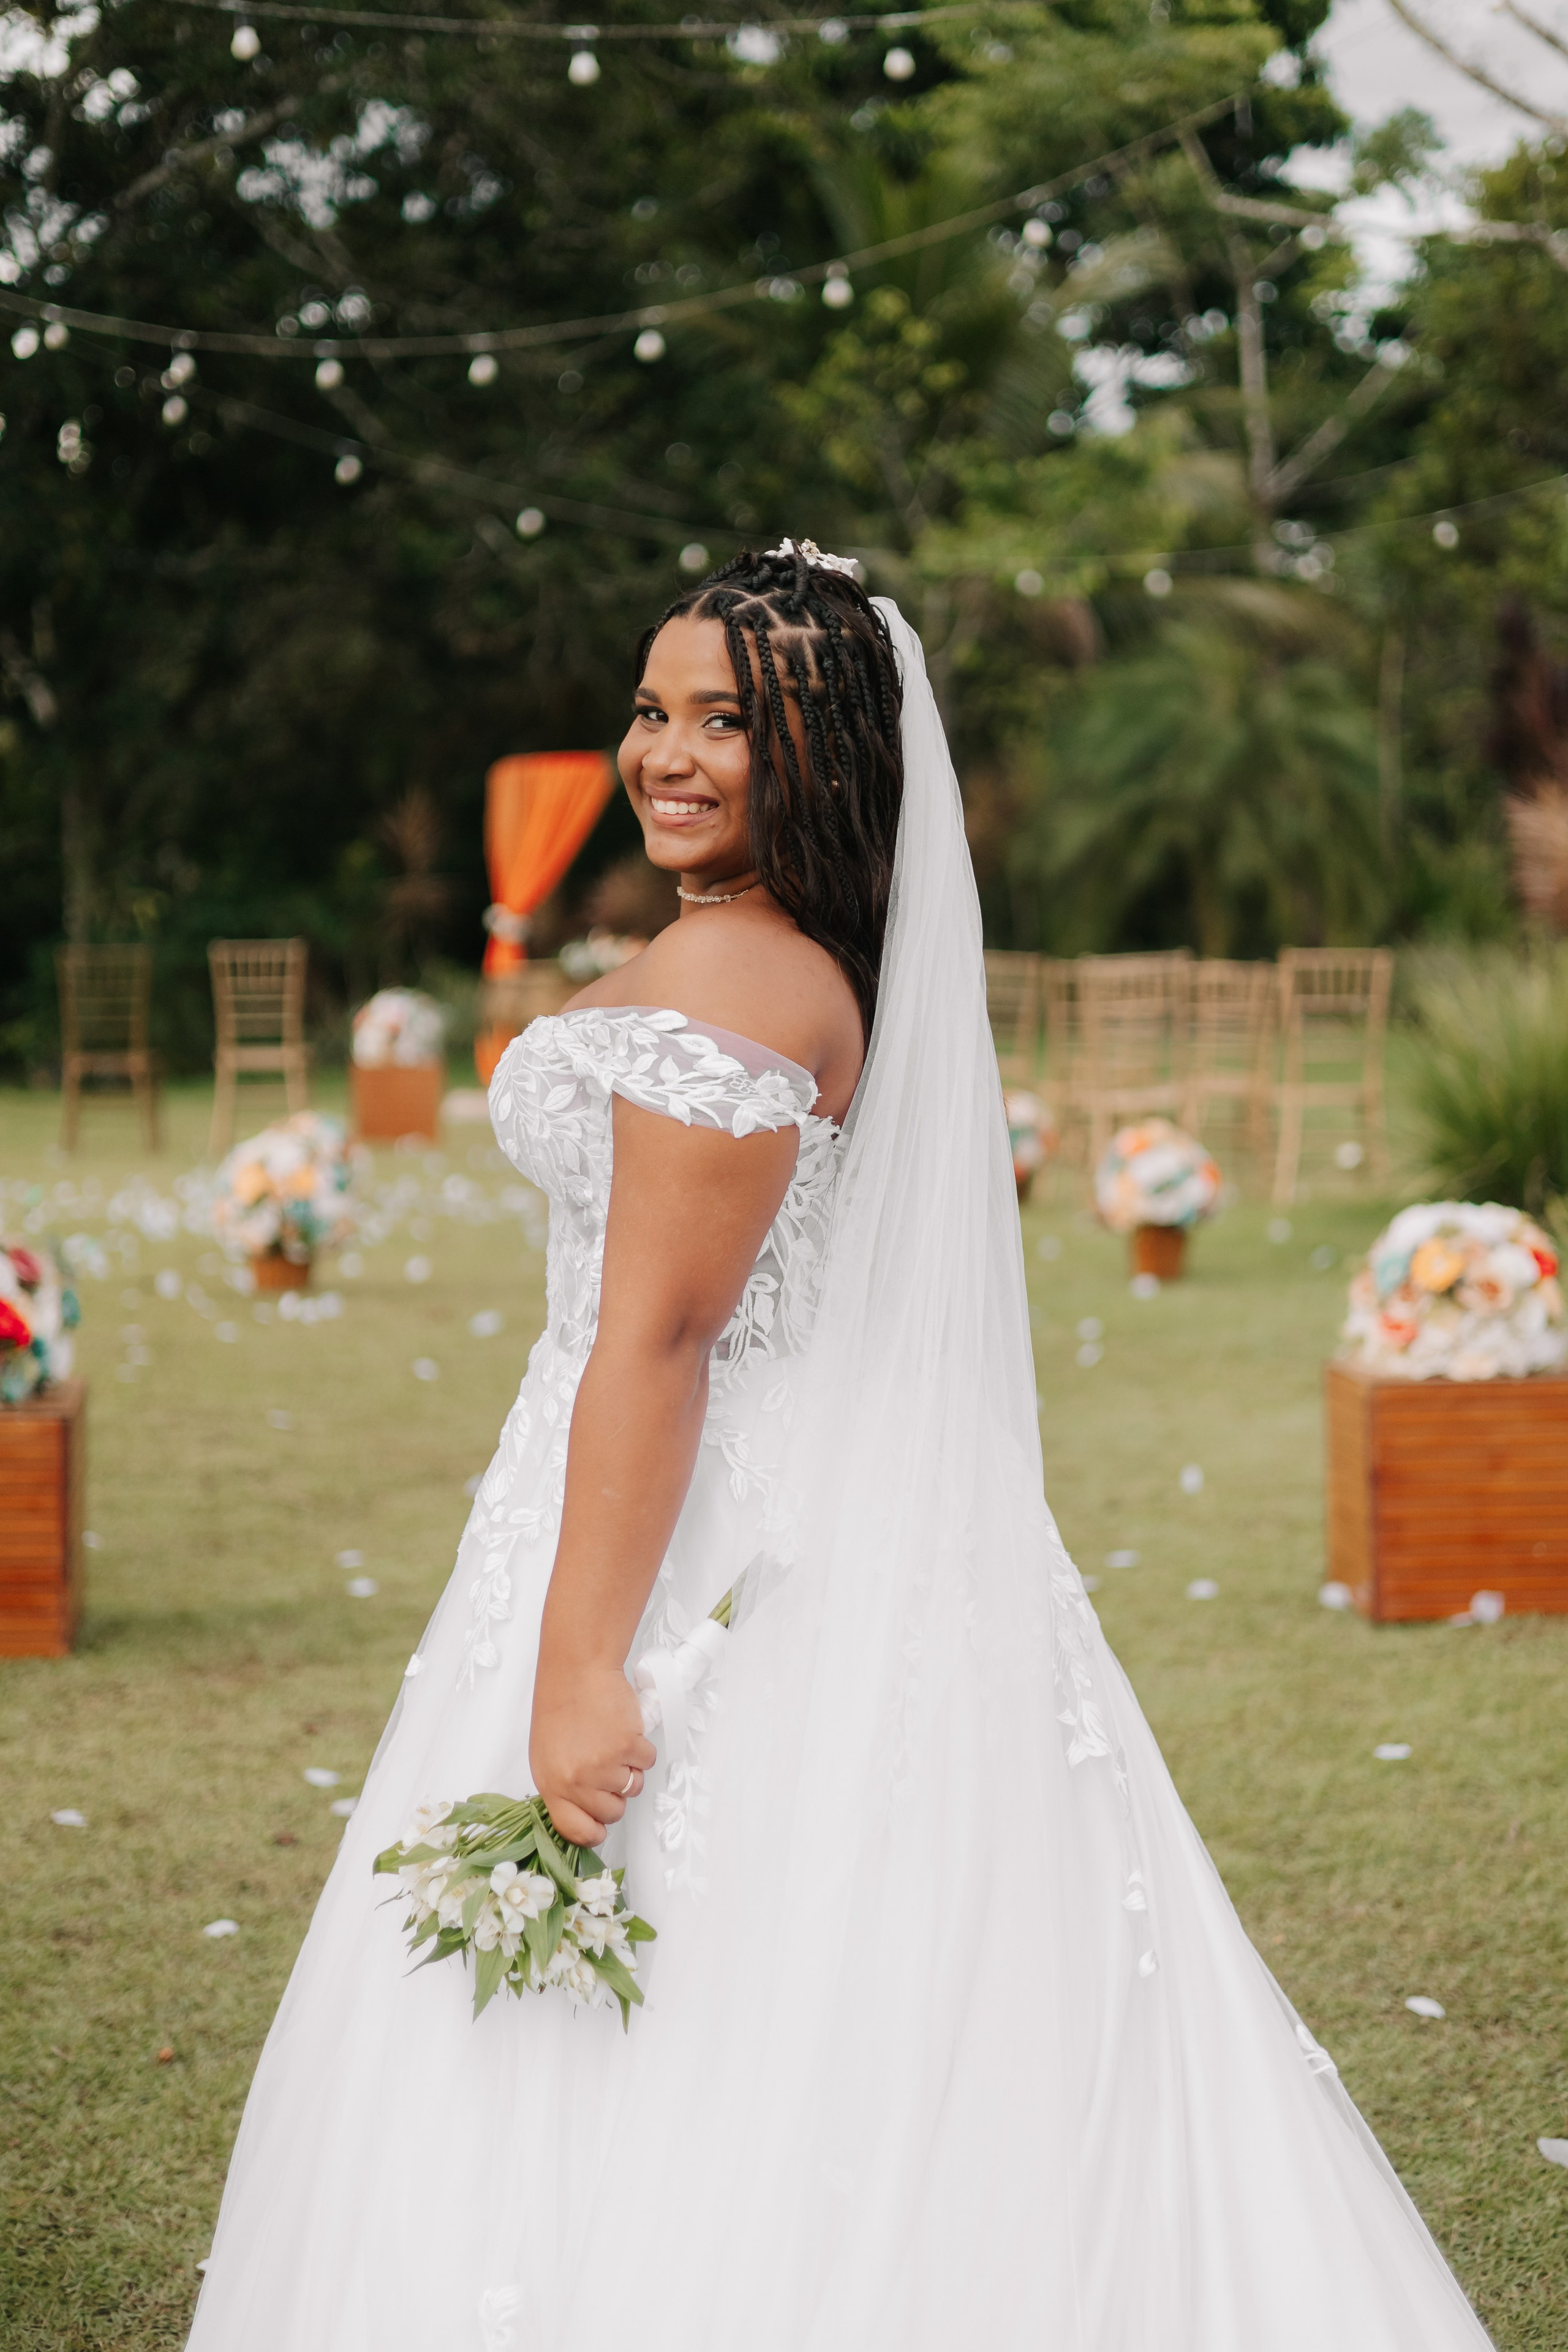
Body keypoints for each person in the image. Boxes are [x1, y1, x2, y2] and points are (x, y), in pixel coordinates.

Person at [187, 542, 1493, 2352]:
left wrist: (579, 1667)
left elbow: (659, 1338)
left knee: (708, 1990)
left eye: (729, 721)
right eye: (652, 710)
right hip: (792, 1510)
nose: (669, 752)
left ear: (827, 753)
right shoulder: (773, 953)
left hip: (708, 1547)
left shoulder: (735, 989)